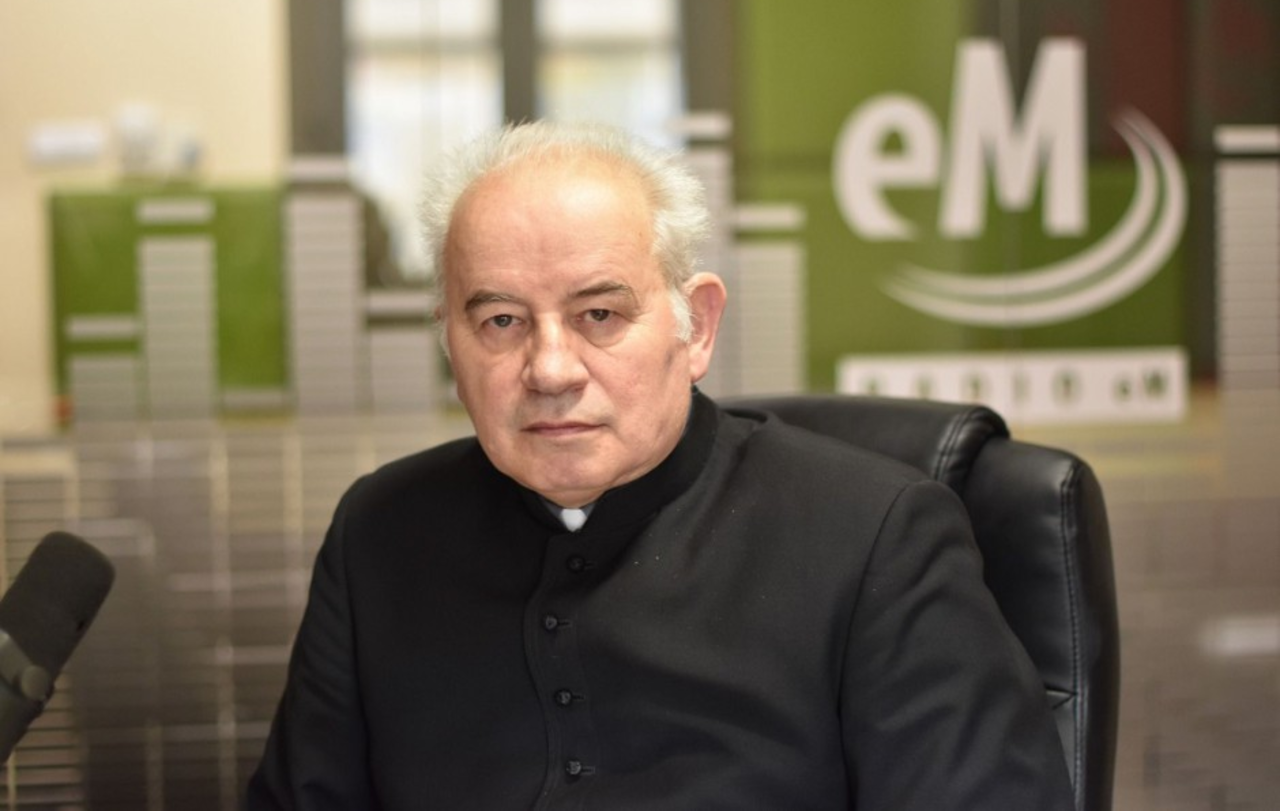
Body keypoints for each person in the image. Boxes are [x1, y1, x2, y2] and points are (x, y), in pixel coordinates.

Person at [247, 122, 1075, 810]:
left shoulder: (873, 537)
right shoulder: (382, 532)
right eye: (501, 322)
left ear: (696, 326)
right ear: (449, 342)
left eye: (599, 314)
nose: (550, 369)